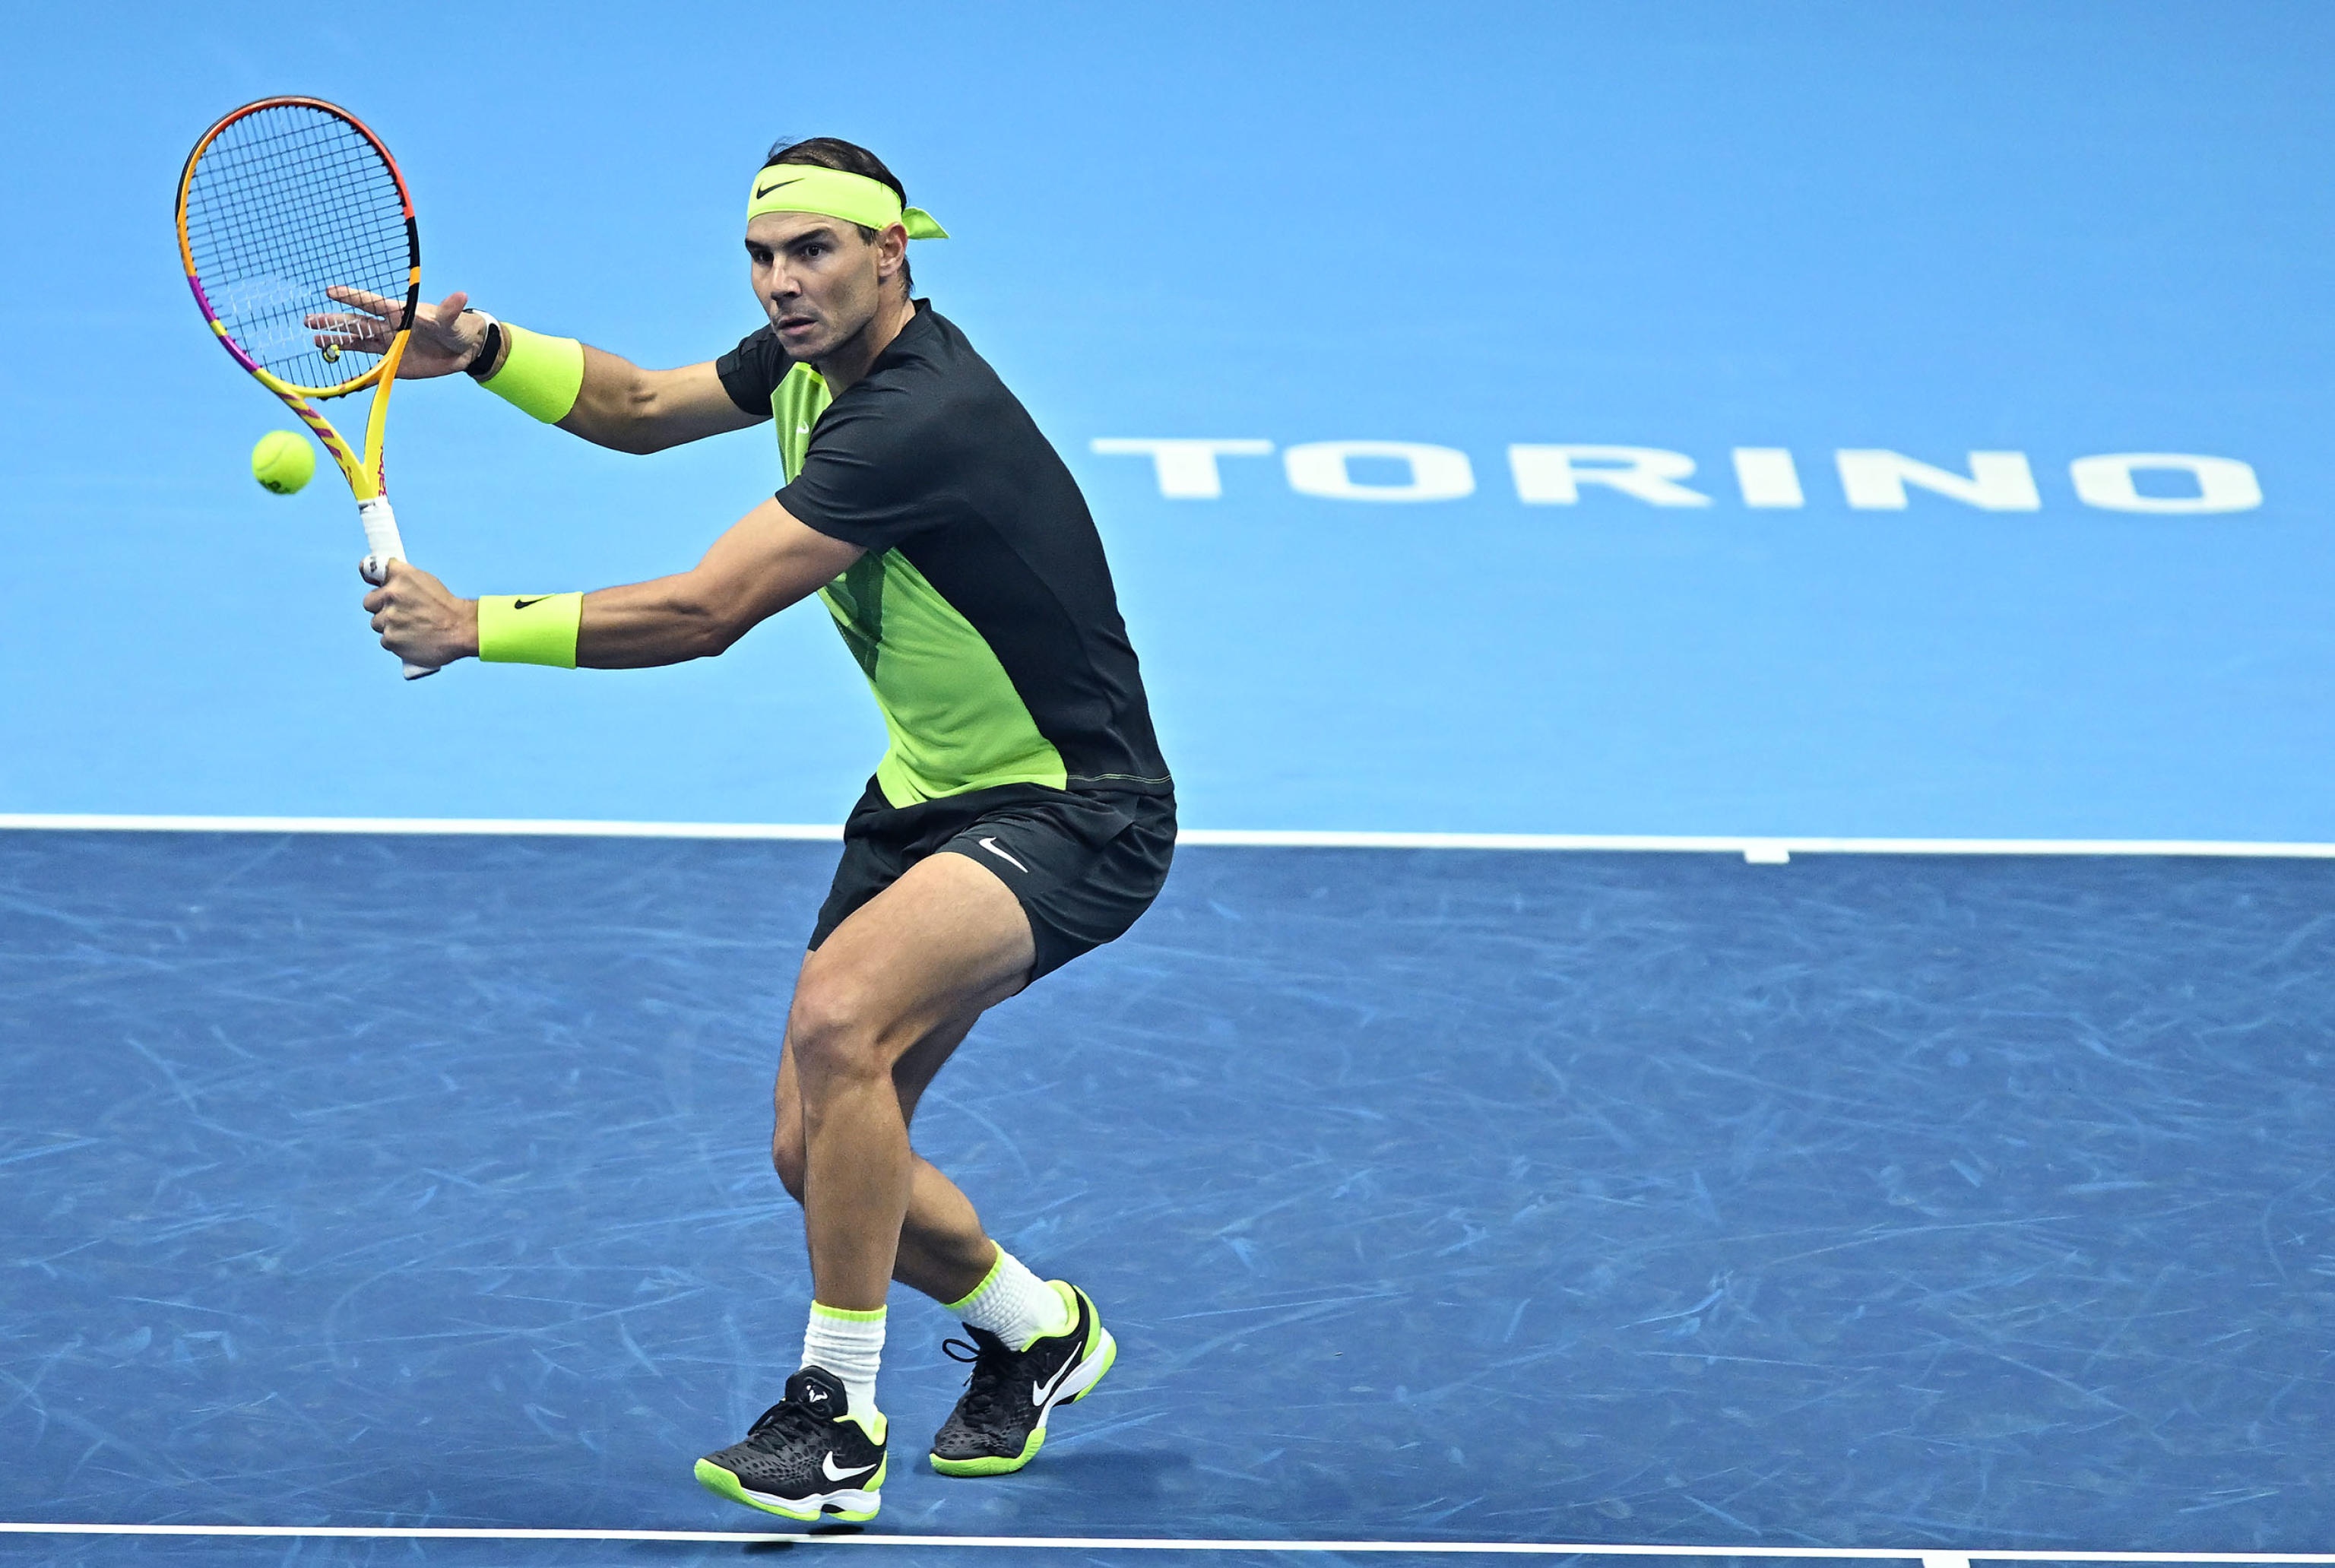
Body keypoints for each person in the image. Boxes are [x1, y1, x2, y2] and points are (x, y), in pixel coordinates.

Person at [334, 137, 1174, 1523]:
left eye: (816, 254)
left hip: (1078, 808)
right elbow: (649, 404)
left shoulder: (919, 416)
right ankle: (1040, 1330)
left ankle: (835, 1415)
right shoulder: (810, 358)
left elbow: (706, 612)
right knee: (818, 1149)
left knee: (843, 1024)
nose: (785, 283)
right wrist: (481, 350)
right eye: (764, 257)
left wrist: (473, 626)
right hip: (928, 794)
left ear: (891, 253)